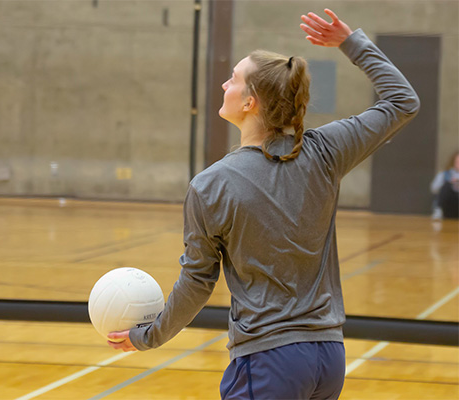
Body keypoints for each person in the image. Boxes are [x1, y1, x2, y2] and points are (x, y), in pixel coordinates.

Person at [107, 9, 420, 399]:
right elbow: (403, 100)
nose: (225, 83)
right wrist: (349, 42)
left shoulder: (210, 185)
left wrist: (147, 337)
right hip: (329, 358)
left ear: (250, 102)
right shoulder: (325, 151)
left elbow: (197, 283)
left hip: (269, 361)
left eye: (233, 79)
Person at [431, 151, 459, 219]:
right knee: (447, 185)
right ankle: (438, 211)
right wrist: (449, 183)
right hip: (448, 206)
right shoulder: (444, 174)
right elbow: (433, 189)